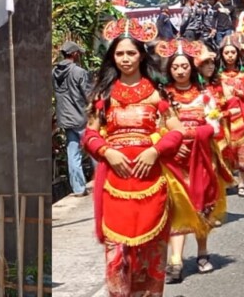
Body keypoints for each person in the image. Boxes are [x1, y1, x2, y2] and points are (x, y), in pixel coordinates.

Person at [81, 19, 183, 297]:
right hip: (115, 185)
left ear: (141, 55)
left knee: (151, 260)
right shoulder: (103, 94)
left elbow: (177, 132)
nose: (125, 59)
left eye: (131, 53)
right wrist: (107, 151)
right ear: (112, 57)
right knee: (117, 261)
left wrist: (154, 151)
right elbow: (89, 135)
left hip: (151, 184)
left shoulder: (157, 92)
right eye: (119, 53)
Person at [158, 40, 226, 283]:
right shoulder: (163, 96)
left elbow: (215, 126)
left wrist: (196, 135)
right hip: (175, 159)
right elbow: (158, 127)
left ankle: (202, 252)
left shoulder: (205, 94)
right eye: (175, 67)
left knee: (202, 205)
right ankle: (175, 262)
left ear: (191, 68)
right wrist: (175, 145)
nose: (180, 71)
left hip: (202, 158)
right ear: (170, 70)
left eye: (184, 66)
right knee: (177, 206)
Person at [216, 39, 244, 197]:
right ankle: (228, 179)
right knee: (225, 150)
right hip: (224, 117)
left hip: (243, 116)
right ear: (221, 55)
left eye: (233, 52)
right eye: (226, 53)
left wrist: (240, 93)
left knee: (243, 150)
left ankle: (242, 182)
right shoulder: (217, 75)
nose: (229, 56)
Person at [54, 41, 93, 198]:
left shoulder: (54, 72)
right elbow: (88, 95)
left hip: (66, 119)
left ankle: (78, 189)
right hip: (81, 117)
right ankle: (104, 182)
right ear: (74, 54)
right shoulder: (79, 72)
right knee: (95, 149)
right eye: (79, 53)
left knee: (73, 153)